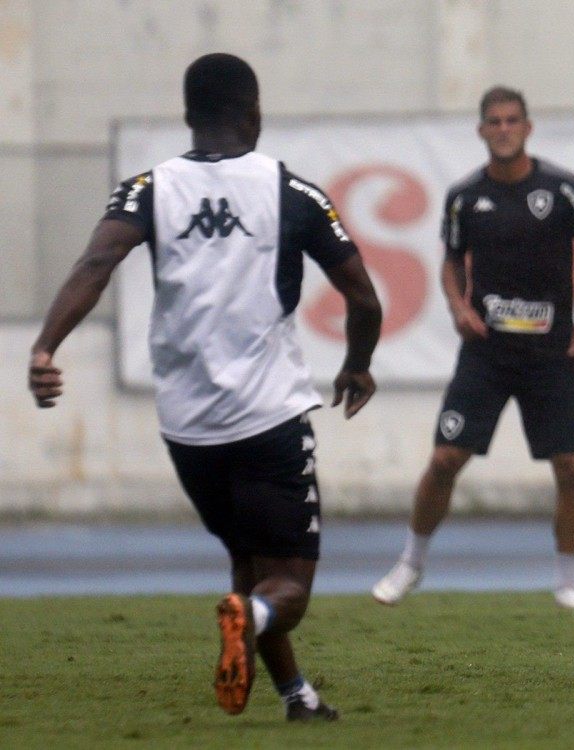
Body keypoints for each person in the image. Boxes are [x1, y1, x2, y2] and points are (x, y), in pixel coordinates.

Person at [27, 53, 382, 720]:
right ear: (255, 114)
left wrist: (46, 346)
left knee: (248, 558)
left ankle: (295, 696)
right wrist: (358, 363)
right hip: (269, 419)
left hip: (188, 430)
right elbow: (363, 298)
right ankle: (249, 618)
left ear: (188, 117)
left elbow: (97, 259)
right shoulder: (292, 193)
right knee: (288, 585)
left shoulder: (147, 190)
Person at [371, 86, 574, 611]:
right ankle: (410, 563)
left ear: (528, 127)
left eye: (512, 120)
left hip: (551, 354)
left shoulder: (563, 189)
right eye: (493, 122)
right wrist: (458, 306)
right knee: (445, 457)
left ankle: (568, 581)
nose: (503, 129)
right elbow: (452, 261)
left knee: (571, 468)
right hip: (487, 353)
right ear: (481, 131)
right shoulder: (464, 197)